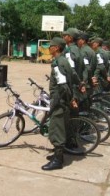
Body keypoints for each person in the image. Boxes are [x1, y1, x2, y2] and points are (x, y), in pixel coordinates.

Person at [41, 37, 77, 171]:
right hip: (63, 100)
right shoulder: (63, 61)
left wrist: (61, 100)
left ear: (56, 48)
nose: (49, 48)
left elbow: (63, 86)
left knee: (57, 130)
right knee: (60, 128)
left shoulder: (58, 63)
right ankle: (57, 155)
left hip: (59, 101)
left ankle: (58, 160)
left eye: (51, 46)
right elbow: (71, 79)